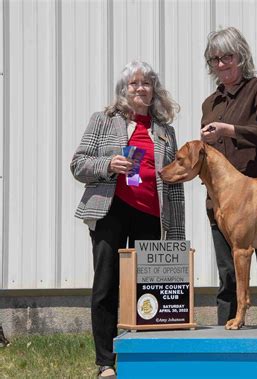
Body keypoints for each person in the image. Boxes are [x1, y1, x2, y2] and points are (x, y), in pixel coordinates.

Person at [71, 61, 185, 378]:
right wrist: (109, 164)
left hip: (149, 215)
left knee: (146, 288)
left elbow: (174, 186)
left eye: (146, 83)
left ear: (154, 90)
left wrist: (176, 232)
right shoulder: (103, 120)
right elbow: (78, 164)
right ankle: (106, 362)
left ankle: (142, 357)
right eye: (133, 83)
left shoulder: (165, 132)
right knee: (106, 285)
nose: (140, 88)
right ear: (124, 89)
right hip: (110, 211)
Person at [200, 27, 257, 326]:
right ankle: (227, 349)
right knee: (227, 278)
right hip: (222, 205)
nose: (222, 64)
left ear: (242, 56)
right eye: (215, 59)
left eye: (228, 56)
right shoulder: (210, 103)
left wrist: (230, 131)